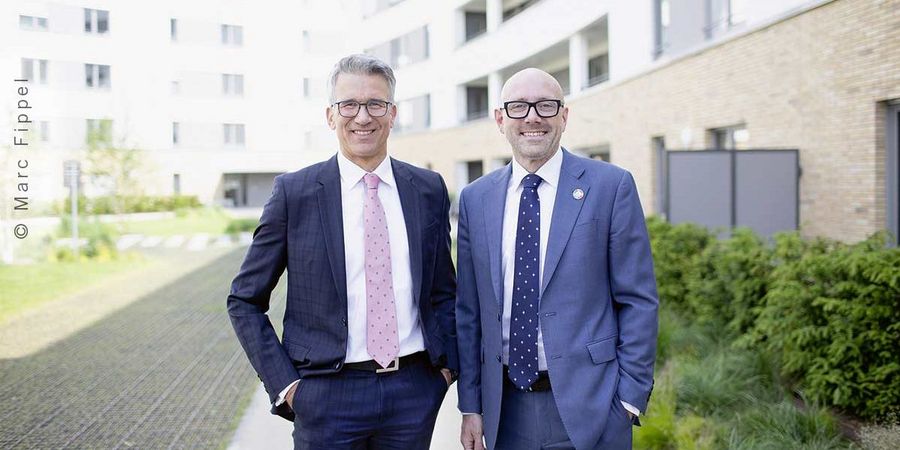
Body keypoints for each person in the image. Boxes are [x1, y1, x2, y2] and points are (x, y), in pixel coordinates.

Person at [227, 54, 458, 450]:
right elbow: (244, 300)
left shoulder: (427, 188)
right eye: (349, 105)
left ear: (393, 113)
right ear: (331, 116)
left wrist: (445, 371)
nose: (363, 117)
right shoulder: (294, 193)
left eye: (375, 104)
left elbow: (443, 291)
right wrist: (288, 386)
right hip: (326, 395)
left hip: (413, 391)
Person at [456, 68, 658, 450]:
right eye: (518, 107)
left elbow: (638, 300)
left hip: (594, 407)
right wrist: (471, 405)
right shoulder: (475, 199)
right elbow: (469, 311)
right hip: (505, 412)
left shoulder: (610, 187)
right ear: (500, 119)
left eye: (546, 105)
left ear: (564, 116)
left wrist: (628, 400)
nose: (532, 116)